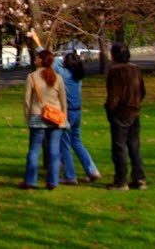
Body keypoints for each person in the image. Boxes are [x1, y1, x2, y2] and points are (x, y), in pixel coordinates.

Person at [27, 30, 101, 185]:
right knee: (77, 142)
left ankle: (70, 175)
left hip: (65, 113)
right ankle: (92, 169)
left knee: (64, 145)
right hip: (78, 112)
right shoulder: (77, 76)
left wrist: (36, 40)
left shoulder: (63, 74)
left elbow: (48, 60)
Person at [20, 49, 69, 190]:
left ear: (41, 60)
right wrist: (64, 116)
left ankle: (30, 181)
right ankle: (53, 181)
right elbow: (63, 99)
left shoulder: (32, 77)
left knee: (34, 150)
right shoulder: (57, 77)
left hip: (37, 116)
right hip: (55, 116)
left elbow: (27, 100)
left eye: (37, 58)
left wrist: (27, 117)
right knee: (54, 151)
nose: (35, 60)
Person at [105, 43, 147, 191]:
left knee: (119, 147)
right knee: (134, 146)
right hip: (134, 110)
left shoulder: (115, 71)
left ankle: (121, 180)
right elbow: (142, 91)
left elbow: (114, 94)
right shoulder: (136, 69)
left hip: (120, 112)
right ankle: (139, 178)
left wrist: (110, 108)